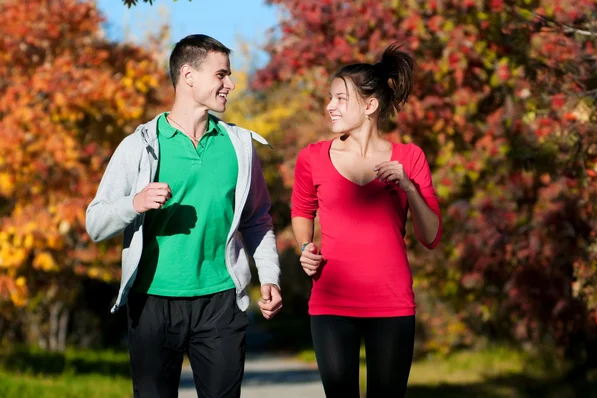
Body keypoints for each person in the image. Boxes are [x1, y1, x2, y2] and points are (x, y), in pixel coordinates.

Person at [86, 34, 282, 398]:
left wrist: (269, 275)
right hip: (152, 303)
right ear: (189, 75)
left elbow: (258, 219)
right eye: (221, 75)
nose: (231, 84)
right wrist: (135, 203)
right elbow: (95, 223)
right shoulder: (139, 146)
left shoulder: (239, 148)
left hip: (221, 301)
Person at [291, 43, 442, 398]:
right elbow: (302, 211)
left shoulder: (410, 157)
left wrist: (408, 186)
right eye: (331, 97)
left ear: (370, 105)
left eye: (341, 98)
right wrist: (304, 246)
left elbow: (431, 236)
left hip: (391, 303)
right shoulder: (312, 157)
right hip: (331, 301)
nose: (330, 106)